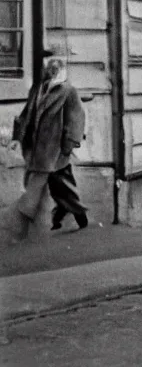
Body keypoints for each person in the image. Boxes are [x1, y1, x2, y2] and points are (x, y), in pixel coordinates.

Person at [7, 49, 87, 241]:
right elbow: (27, 113)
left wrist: (67, 147)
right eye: (49, 64)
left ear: (61, 69)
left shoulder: (68, 92)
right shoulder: (38, 88)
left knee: (36, 188)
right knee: (62, 189)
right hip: (37, 149)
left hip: (54, 151)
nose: (51, 68)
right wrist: (17, 136)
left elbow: (76, 119)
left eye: (55, 64)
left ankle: (20, 228)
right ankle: (77, 215)